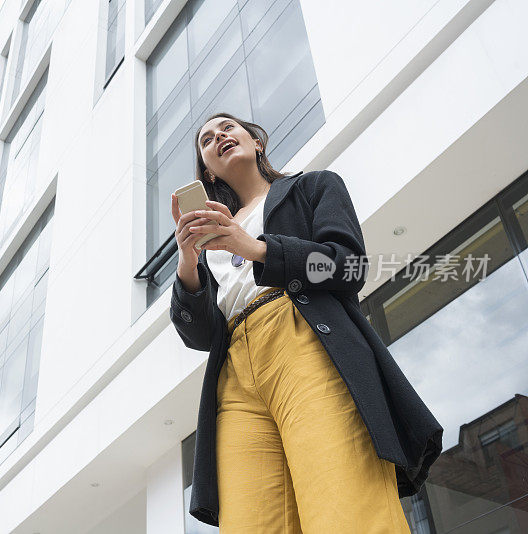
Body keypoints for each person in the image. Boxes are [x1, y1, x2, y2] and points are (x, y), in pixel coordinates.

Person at [169, 112, 443, 532]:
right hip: (234, 377)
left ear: (256, 141)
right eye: (206, 139)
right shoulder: (209, 246)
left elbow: (347, 267)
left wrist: (258, 248)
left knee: (343, 503)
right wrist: (188, 264)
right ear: (207, 169)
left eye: (227, 128)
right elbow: (200, 335)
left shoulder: (312, 187)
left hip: (304, 342)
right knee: (251, 522)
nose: (218, 136)